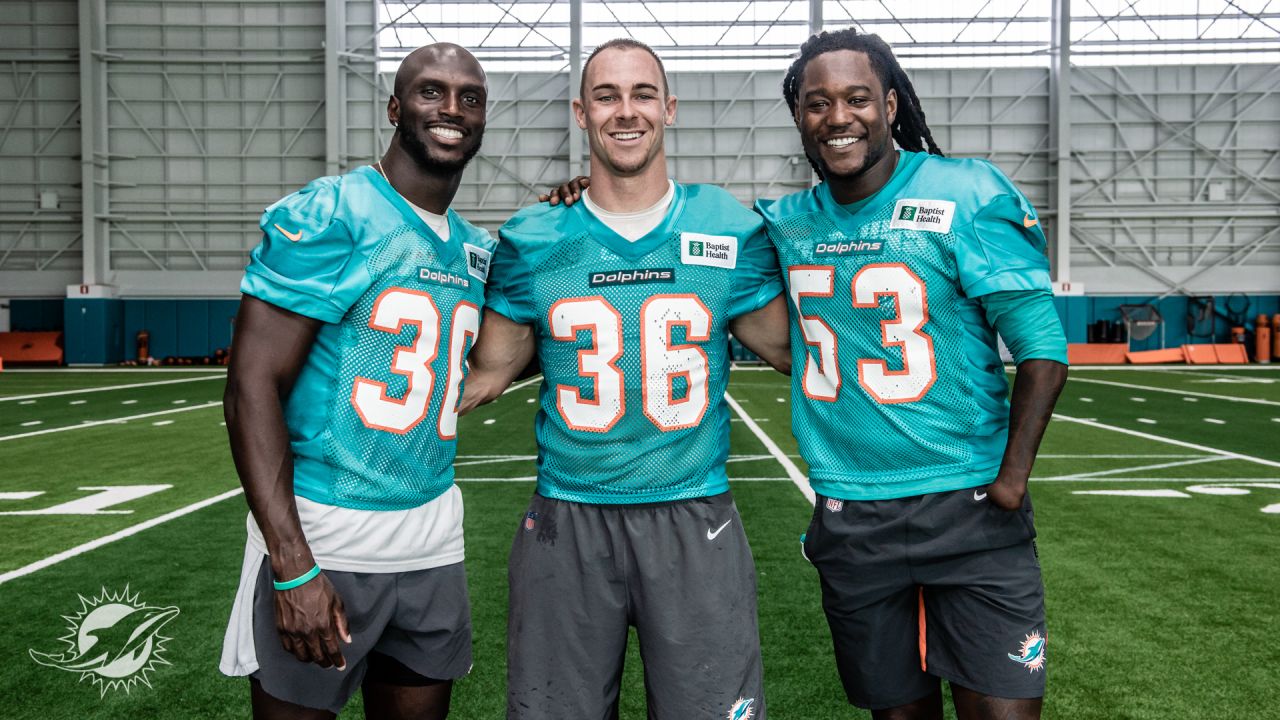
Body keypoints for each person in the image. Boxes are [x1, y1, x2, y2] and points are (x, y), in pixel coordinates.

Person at [460, 37, 790, 720]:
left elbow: (801, 350)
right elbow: (482, 376)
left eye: (642, 93)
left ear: (668, 108)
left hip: (694, 513)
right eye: (606, 96)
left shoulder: (728, 227)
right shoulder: (534, 237)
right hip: (567, 520)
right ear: (582, 114)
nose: (625, 110)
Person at [753, 28, 1069, 720]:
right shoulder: (783, 223)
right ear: (799, 117)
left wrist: (1011, 481)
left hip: (970, 505)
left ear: (890, 106)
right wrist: (585, 193)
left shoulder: (966, 191)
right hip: (852, 514)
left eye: (857, 98)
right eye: (816, 104)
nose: (838, 117)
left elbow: (1042, 349)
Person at [218, 44, 495, 719]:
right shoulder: (332, 212)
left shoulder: (476, 247)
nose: (451, 108)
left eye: (469, 96)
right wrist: (293, 564)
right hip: (327, 538)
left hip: (431, 542)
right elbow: (251, 385)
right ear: (396, 108)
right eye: (431, 92)